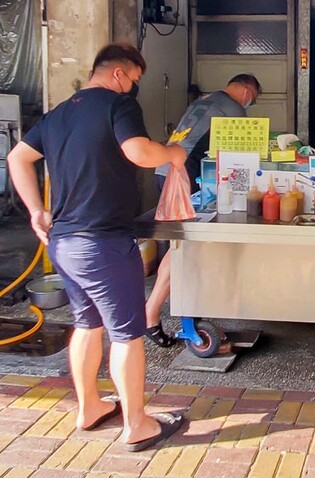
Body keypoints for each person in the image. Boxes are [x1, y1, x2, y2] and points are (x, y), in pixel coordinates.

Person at [7, 43, 187, 451]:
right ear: (120, 75)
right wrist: (174, 154)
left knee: (87, 324)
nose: (133, 89)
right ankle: (137, 424)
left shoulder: (57, 114)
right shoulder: (116, 106)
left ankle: (89, 407)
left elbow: (17, 158)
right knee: (127, 334)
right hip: (102, 243)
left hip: (64, 243)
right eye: (135, 81)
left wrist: (37, 210)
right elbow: (139, 152)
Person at [145, 74, 262, 347]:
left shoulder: (207, 99)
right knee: (183, 249)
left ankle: (187, 307)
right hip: (181, 176)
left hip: (167, 172)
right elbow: (243, 151)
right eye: (253, 98)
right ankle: (151, 314)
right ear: (246, 90)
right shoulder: (232, 108)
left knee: (183, 247)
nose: (250, 103)